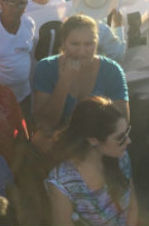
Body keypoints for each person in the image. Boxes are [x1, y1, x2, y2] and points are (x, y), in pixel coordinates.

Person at [45, 97, 138, 226]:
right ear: (93, 140)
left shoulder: (122, 157)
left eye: (127, 132)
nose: (129, 141)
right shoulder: (62, 183)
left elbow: (132, 208)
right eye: (120, 137)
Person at [33, 14, 129, 132]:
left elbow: (122, 120)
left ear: (97, 42)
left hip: (99, 138)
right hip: (58, 139)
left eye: (88, 44)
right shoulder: (46, 67)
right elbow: (46, 123)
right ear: (64, 43)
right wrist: (64, 81)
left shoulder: (112, 70)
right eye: (75, 44)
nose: (82, 51)